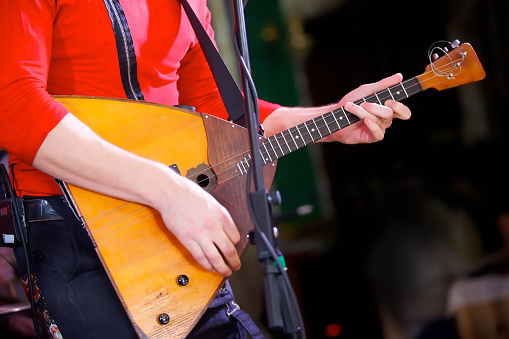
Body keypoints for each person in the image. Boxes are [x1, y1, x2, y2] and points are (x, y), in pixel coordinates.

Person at [0, 0, 411, 338]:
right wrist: (168, 189)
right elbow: (14, 107)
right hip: (73, 231)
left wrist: (333, 119)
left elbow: (221, 115)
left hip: (167, 230)